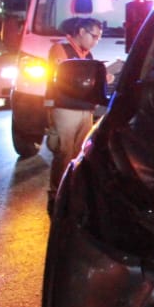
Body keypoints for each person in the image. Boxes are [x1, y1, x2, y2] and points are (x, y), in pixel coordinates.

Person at [45, 17, 107, 213]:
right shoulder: (61, 50)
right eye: (94, 36)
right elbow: (62, 78)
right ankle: (56, 194)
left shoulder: (88, 55)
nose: (96, 41)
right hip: (65, 108)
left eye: (98, 38)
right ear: (81, 32)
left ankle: (73, 192)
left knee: (80, 153)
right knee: (63, 151)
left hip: (85, 109)